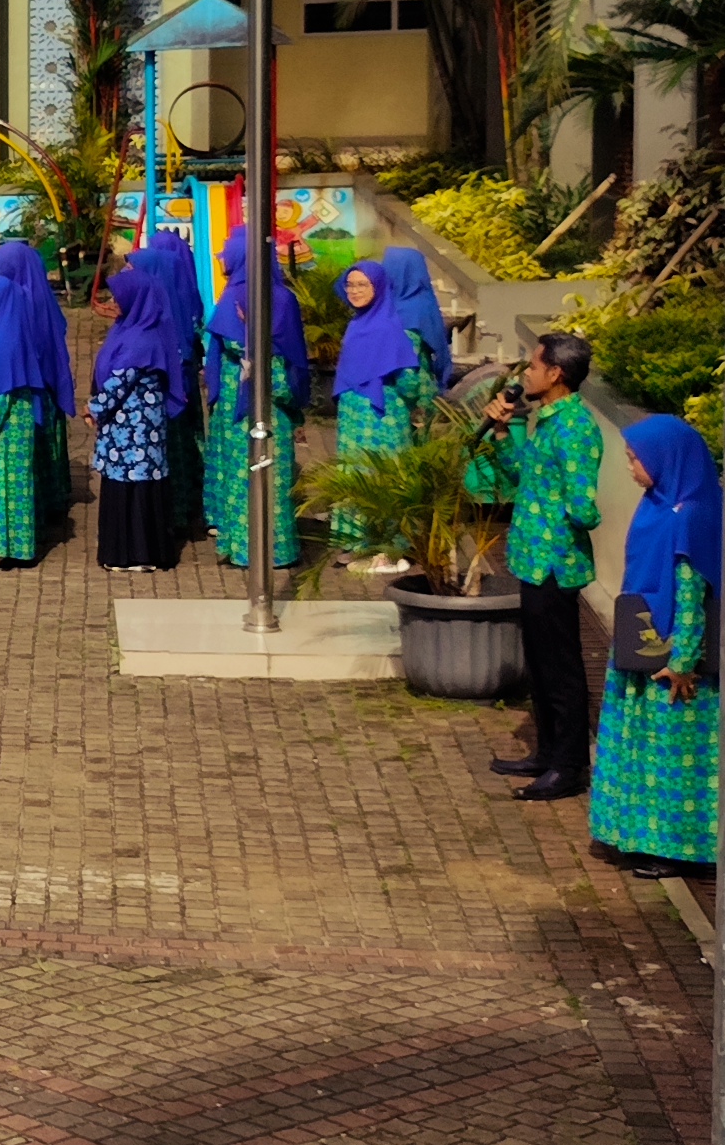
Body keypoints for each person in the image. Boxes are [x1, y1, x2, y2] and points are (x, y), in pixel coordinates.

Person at [469, 331, 604, 803]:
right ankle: (546, 752)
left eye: (532, 367)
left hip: (555, 563)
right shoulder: (546, 419)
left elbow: (583, 503)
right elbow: (525, 473)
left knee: (562, 667)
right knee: (540, 664)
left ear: (556, 375)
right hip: (530, 558)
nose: (525, 374)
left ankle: (569, 766)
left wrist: (571, 520)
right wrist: (502, 432)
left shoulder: (575, 427)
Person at [593, 414, 724, 876]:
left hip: (672, 661)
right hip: (642, 641)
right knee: (642, 748)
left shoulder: (691, 516)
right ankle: (635, 835)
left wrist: (683, 661)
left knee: (673, 758)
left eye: (636, 459)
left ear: (667, 460)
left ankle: (677, 851)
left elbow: (692, 593)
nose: (630, 467)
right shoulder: (656, 504)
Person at [0, 241, 79, 572]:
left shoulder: (11, 325)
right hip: (16, 410)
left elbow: (2, 386)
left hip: (7, 420)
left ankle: (2, 547)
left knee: (4, 485)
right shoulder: (4, 322)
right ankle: (3, 541)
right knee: (9, 483)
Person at [86, 234, 201, 574]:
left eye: (121, 296)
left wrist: (94, 409)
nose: (114, 302)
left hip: (136, 433)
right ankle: (124, 551)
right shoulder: (131, 328)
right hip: (125, 434)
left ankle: (138, 553)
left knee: (136, 492)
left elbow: (122, 381)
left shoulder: (143, 338)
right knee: (125, 488)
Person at [327, 246, 454, 548]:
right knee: (375, 473)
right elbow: (413, 382)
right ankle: (375, 543)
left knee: (370, 474)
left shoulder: (384, 328)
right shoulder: (362, 324)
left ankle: (367, 542)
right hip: (374, 416)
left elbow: (405, 375)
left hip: (373, 417)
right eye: (351, 284)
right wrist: (426, 403)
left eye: (363, 285)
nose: (354, 291)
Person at [201, 243, 309, 575]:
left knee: (251, 472)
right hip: (260, 399)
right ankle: (265, 548)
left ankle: (247, 547)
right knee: (262, 473)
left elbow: (220, 353)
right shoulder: (277, 297)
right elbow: (293, 358)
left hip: (246, 398)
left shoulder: (247, 296)